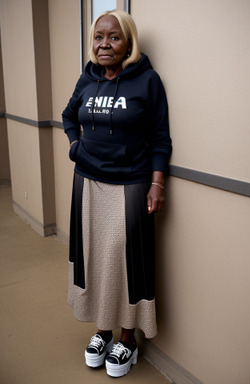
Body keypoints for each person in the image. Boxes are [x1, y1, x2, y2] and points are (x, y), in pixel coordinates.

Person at [62, 9, 172, 378]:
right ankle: (102, 330)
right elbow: (68, 116)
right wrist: (76, 147)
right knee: (94, 258)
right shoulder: (88, 78)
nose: (104, 44)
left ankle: (127, 338)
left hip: (130, 185)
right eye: (98, 37)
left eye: (113, 37)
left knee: (126, 263)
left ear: (129, 42)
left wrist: (157, 183)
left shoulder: (147, 81)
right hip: (88, 183)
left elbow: (159, 137)